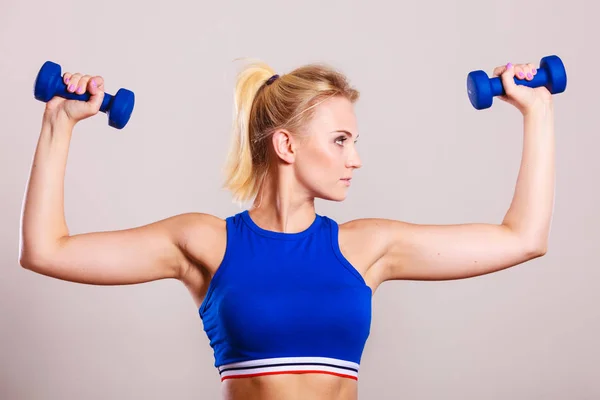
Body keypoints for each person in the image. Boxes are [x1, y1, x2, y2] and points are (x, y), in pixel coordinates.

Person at [19, 58, 555, 400]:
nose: (357, 158)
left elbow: (523, 238)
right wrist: (58, 124)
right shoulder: (205, 242)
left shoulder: (366, 247)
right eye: (341, 139)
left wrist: (538, 112)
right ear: (287, 146)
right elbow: (46, 250)